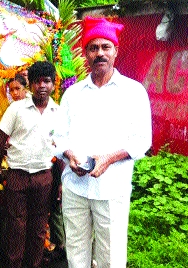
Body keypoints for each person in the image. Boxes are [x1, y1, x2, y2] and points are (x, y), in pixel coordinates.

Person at [57, 16, 152, 267]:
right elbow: (59, 136)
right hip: (75, 188)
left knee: (111, 256)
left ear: (115, 51)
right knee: (76, 253)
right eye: (93, 47)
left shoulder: (133, 92)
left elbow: (142, 140)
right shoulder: (72, 94)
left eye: (105, 47)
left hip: (112, 188)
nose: (99, 53)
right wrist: (69, 154)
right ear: (85, 53)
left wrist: (109, 158)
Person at [0, 61, 61, 268]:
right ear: (30, 84)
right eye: (37, 81)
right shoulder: (16, 108)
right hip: (18, 175)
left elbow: (61, 150)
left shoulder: (57, 112)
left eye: (46, 81)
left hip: (44, 177)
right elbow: (0, 138)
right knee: (16, 225)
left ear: (53, 84)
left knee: (39, 227)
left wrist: (59, 182)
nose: (42, 85)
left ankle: (34, 265)